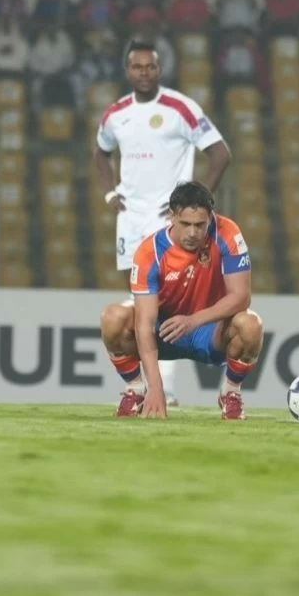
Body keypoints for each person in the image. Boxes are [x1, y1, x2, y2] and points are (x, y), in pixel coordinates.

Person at [94, 42, 233, 406]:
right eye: (137, 66)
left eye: (150, 66)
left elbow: (220, 153)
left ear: (160, 69)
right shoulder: (116, 114)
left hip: (171, 222)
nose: (144, 72)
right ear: (127, 71)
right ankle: (142, 387)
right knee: (141, 303)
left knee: (169, 303)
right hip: (131, 220)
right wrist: (110, 193)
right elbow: (101, 153)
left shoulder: (180, 108)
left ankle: (165, 389)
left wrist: (196, 202)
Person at [99, 182, 261, 421]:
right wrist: (156, 388)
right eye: (185, 224)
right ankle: (136, 390)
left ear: (211, 217)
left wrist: (193, 320)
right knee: (113, 317)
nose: (193, 233)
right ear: (171, 216)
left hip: (210, 332)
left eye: (200, 225)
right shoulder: (150, 251)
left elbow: (241, 297)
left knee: (251, 325)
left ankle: (230, 393)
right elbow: (144, 324)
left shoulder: (227, 233)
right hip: (165, 332)